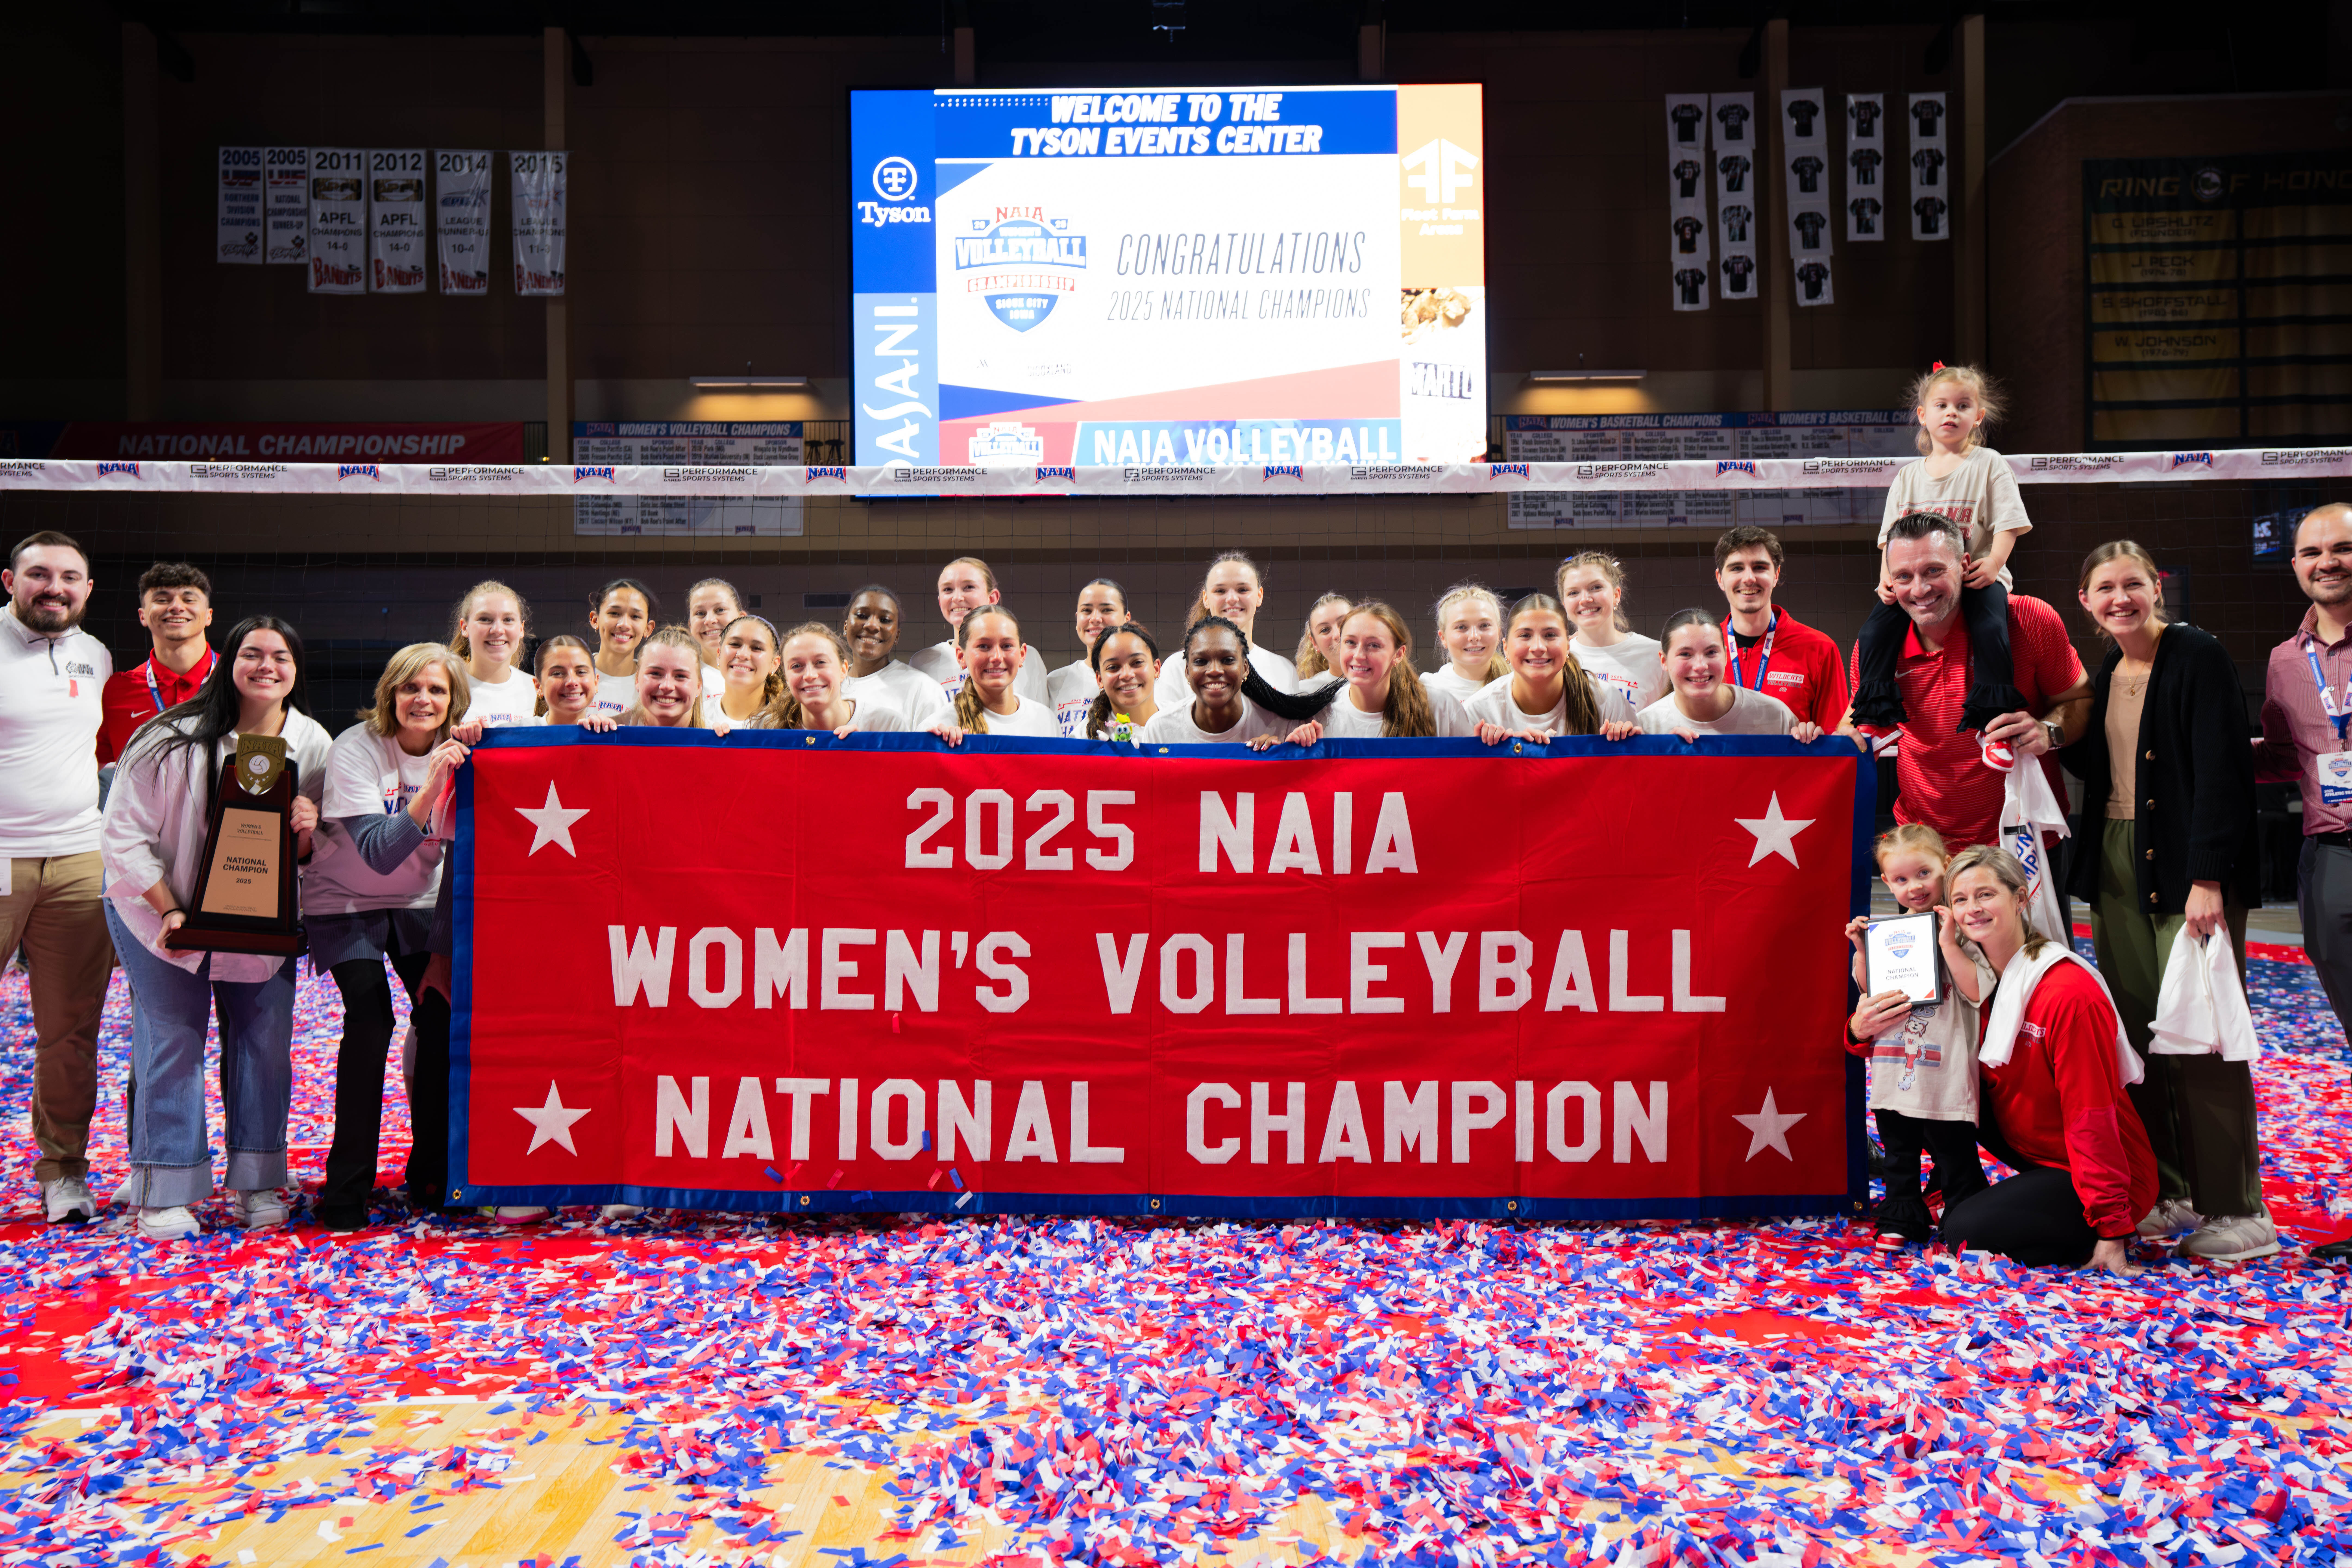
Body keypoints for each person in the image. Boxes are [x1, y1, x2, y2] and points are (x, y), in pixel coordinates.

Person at [2059, 540, 2271, 1261]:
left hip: (2186, 868)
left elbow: (2223, 771)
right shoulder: (2106, 671)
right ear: (2085, 603)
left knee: (2201, 1037)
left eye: (2134, 584)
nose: (2121, 598)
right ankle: (2171, 1190)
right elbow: (2092, 763)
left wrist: (2208, 876)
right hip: (2117, 867)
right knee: (2144, 1042)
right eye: (2105, 588)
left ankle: (2236, 1207)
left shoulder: (2196, 655)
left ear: (2158, 587)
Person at [99, 617, 330, 1239]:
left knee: (263, 1044)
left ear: (296, 668)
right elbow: (122, 833)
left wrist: (308, 825)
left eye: (280, 655)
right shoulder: (165, 737)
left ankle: (257, 1181)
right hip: (156, 909)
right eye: (252, 653)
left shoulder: (312, 742)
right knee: (171, 1040)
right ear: (228, 662)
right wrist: (171, 907)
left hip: (262, 924)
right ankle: (164, 1186)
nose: (266, 665)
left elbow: (316, 855)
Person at [305, 642, 473, 1229]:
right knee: (371, 1019)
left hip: (419, 902)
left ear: (454, 700)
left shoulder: (466, 755)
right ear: (390, 694)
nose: (422, 700)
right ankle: (346, 1188)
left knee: (439, 1017)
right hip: (343, 901)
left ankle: (431, 1174)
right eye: (410, 688)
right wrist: (430, 788)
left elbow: (462, 859)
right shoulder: (357, 748)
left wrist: (445, 954)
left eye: (435, 690)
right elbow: (377, 855)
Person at [1939, 845, 2158, 1274]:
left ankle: (2088, 1221)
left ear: (2021, 899)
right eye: (1960, 900)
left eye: (1986, 895)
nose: (1972, 910)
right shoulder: (1977, 978)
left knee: (1966, 1232)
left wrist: (2113, 1228)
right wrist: (1858, 1030)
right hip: (2044, 1154)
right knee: (1946, 1080)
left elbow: (2090, 1115)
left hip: (2107, 1176)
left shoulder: (2068, 994)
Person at [1835, 513, 2090, 852]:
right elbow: (1850, 727)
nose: (1919, 589)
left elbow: (2080, 699)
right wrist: (1814, 739)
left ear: (1965, 564)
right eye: (1903, 576)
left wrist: (2049, 731)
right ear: (1889, 581)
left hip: (2024, 841)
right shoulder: (1874, 650)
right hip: (1925, 849)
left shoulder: (2028, 620)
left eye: (1934, 571)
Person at [0, 530, 114, 1224]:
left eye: (69, 576)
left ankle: (64, 1170)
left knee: (71, 1030)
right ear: (8, 580)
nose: (55, 587)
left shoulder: (94, 654)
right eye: (39, 574)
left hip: (77, 857)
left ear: (88, 589)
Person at [1849, 364, 2030, 734]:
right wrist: (1887, 580)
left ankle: (1993, 720)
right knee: (1872, 634)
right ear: (1923, 416)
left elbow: (2009, 523)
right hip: (1919, 585)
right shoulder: (1909, 476)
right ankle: (1876, 715)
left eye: (1963, 406)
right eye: (1942, 405)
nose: (1952, 412)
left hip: (1974, 577)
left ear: (1978, 417)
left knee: (1992, 628)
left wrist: (1994, 563)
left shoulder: (1990, 464)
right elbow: (1889, 539)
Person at [1841, 825, 1992, 1248]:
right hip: (1894, 1063)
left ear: (1946, 867)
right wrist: (1861, 950)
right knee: (1898, 1152)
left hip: (1945, 1066)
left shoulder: (1962, 927)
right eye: (1902, 879)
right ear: (1887, 882)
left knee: (1954, 1151)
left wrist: (1948, 942)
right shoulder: (1888, 933)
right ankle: (1901, 1216)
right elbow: (1870, 994)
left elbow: (1977, 989)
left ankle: (1964, 1220)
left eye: (1924, 874)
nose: (1916, 887)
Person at [1711, 526, 1851, 732]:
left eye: (1760, 567)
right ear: (1720, 579)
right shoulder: (1703, 651)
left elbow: (1835, 740)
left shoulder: (1820, 649)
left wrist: (1818, 739)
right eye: (1736, 568)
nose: (1749, 578)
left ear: (1776, 575)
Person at [1281, 602, 1477, 742]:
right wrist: (1292, 751)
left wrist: (1492, 743)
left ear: (1398, 654)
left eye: (1374, 645)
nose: (1359, 655)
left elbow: (1474, 770)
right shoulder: (1319, 717)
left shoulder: (1440, 707)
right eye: (1350, 643)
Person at [1464, 593, 1637, 744]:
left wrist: (1627, 745)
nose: (1538, 647)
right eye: (1525, 636)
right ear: (1506, 648)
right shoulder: (1479, 713)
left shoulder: (1607, 701)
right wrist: (1502, 754)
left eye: (1551, 635)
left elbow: (1636, 775)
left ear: (1568, 646)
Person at [1138, 617, 1336, 748]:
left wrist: (1280, 758)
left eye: (1228, 660)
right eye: (1201, 662)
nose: (1215, 670)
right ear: (1188, 672)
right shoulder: (1160, 729)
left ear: (1245, 669)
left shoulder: (1280, 726)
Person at [1634, 610, 1824, 741]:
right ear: (1664, 661)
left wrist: (1810, 744)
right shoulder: (1646, 727)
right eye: (1686, 654)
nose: (1701, 666)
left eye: (1711, 653)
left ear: (1726, 655)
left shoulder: (1777, 716)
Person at [97, 562, 215, 770]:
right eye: (162, 600)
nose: (177, 607)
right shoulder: (116, 690)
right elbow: (87, 765)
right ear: (143, 616)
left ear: (209, 616)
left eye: (189, 599)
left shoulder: (238, 679)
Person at [1152, 552, 1302, 711]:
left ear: (1259, 596)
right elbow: (1166, 730)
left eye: (1243, 590)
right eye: (1220, 591)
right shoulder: (1177, 667)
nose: (1232, 599)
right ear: (1206, 599)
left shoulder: (1284, 670)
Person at [907, 557, 1049, 707]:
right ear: (940, 601)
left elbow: (1040, 721)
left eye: (968, 587)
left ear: (992, 598)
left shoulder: (1027, 658)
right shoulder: (923, 662)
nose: (957, 598)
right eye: (948, 590)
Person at [754, 622, 914, 735]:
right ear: (787, 679)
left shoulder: (887, 726)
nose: (810, 675)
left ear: (844, 670)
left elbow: (908, 782)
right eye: (797, 666)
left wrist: (866, 755)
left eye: (821, 663)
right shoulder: (767, 729)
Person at [1557, 552, 1668, 713]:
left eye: (1596, 588)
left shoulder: (1655, 655)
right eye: (1573, 593)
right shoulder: (1557, 658)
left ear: (1617, 595)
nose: (1585, 599)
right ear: (1564, 604)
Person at [839, 585, 953, 730]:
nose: (872, 626)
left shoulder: (923, 689)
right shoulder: (829, 686)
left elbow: (933, 752)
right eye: (862, 616)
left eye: (885, 620)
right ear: (846, 626)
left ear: (897, 636)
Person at [952, 607, 1059, 736]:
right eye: (984, 646)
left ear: (1022, 655)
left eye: (1007, 646)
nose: (997, 657)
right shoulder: (942, 726)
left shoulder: (1046, 721)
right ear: (961, 657)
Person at [448, 580, 538, 728]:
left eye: (508, 620)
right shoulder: (445, 687)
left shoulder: (538, 690)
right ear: (465, 627)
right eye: (485, 620)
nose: (498, 630)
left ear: (521, 629)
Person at [1048, 579, 1129, 737]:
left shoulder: (1140, 681)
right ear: (1077, 618)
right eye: (1087, 611)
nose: (1095, 619)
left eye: (1106, 610)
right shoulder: (1054, 681)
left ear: (1127, 619)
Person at [1423, 583, 1508, 705]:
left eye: (1484, 626)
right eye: (1462, 627)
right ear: (1443, 638)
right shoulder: (1428, 690)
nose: (1474, 637)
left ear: (1499, 634)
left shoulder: (1518, 686)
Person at [586, 578, 659, 719]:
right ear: (595, 620)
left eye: (635, 617)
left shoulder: (654, 686)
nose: (624, 625)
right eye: (615, 613)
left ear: (648, 629)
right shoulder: (574, 678)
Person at [1083, 622, 1161, 742]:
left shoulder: (1180, 727)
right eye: (1113, 667)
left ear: (1156, 669)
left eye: (1137, 662)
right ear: (1100, 679)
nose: (1127, 675)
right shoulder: (1083, 738)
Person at [709, 613, 784, 730]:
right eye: (735, 644)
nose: (743, 655)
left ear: (774, 665)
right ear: (719, 655)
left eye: (757, 648)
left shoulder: (787, 722)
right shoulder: (698, 716)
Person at [621, 628, 709, 728]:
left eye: (681, 676)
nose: (667, 686)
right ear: (637, 680)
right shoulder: (610, 731)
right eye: (655, 674)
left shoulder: (717, 738)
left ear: (699, 686)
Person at [527, 635, 610, 728]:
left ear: (596, 683)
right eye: (558, 673)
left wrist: (609, 739)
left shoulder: (608, 737)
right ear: (539, 686)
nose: (572, 681)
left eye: (581, 672)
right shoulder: (515, 734)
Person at [684, 577, 744, 702]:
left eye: (720, 610)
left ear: (741, 618)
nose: (710, 620)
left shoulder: (759, 673)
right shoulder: (681, 676)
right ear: (690, 625)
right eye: (700, 613)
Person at [1292, 592, 1352, 681]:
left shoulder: (1380, 683)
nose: (1337, 635)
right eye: (1325, 630)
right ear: (1315, 643)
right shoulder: (1306, 692)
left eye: (1343, 623)